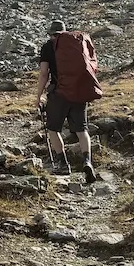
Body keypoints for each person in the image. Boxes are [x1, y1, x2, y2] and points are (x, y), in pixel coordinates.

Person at [36, 19, 98, 183]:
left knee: (53, 129)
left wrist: (39, 95)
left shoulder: (49, 46)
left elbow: (44, 73)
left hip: (59, 94)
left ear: (51, 34)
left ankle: (63, 164)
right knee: (81, 129)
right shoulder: (75, 44)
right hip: (78, 92)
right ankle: (87, 161)